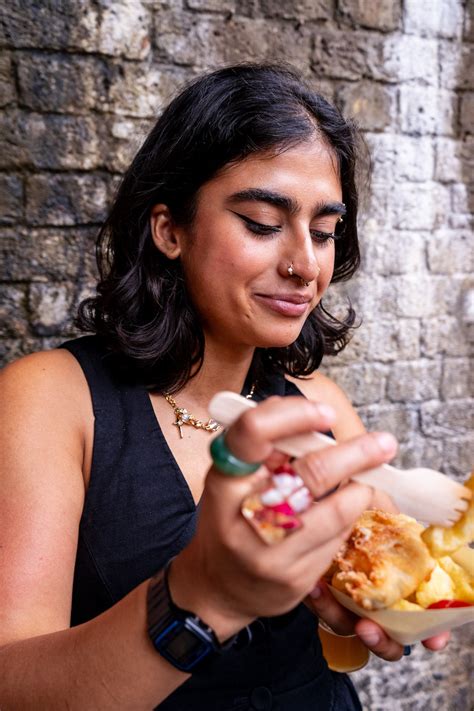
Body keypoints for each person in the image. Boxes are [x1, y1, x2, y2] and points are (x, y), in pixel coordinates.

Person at [0, 64, 449, 710]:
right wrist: (205, 594)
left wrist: (366, 606)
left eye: (324, 232)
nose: (304, 264)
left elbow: (347, 627)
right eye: (264, 222)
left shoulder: (319, 408)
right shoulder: (51, 399)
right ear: (170, 229)